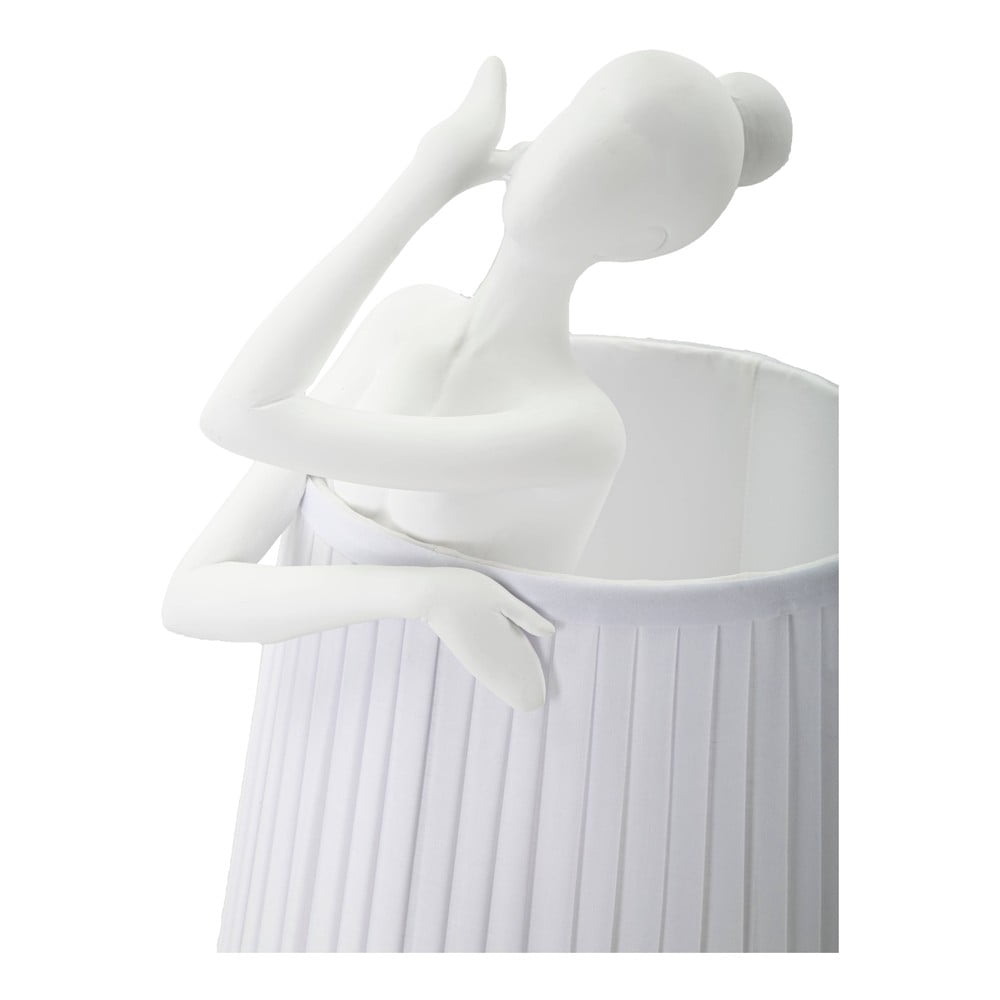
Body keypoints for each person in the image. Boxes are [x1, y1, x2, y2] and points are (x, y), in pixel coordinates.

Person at [162, 51, 791, 710]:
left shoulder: (577, 431)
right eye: (580, 116)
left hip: (474, 750)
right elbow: (193, 593)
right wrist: (420, 594)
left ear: (644, 241)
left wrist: (424, 184)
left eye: (622, 160)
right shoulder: (404, 318)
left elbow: (243, 413)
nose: (567, 155)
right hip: (305, 735)